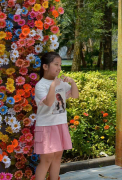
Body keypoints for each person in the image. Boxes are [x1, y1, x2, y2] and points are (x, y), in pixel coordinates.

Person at [34, 52, 79, 180]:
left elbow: (75, 95)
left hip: (60, 124)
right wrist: (53, 85)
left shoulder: (61, 83)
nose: (59, 68)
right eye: (56, 64)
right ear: (45, 66)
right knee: (47, 159)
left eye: (60, 65)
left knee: (58, 157)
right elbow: (48, 103)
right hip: (46, 126)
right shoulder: (41, 85)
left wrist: (72, 82)